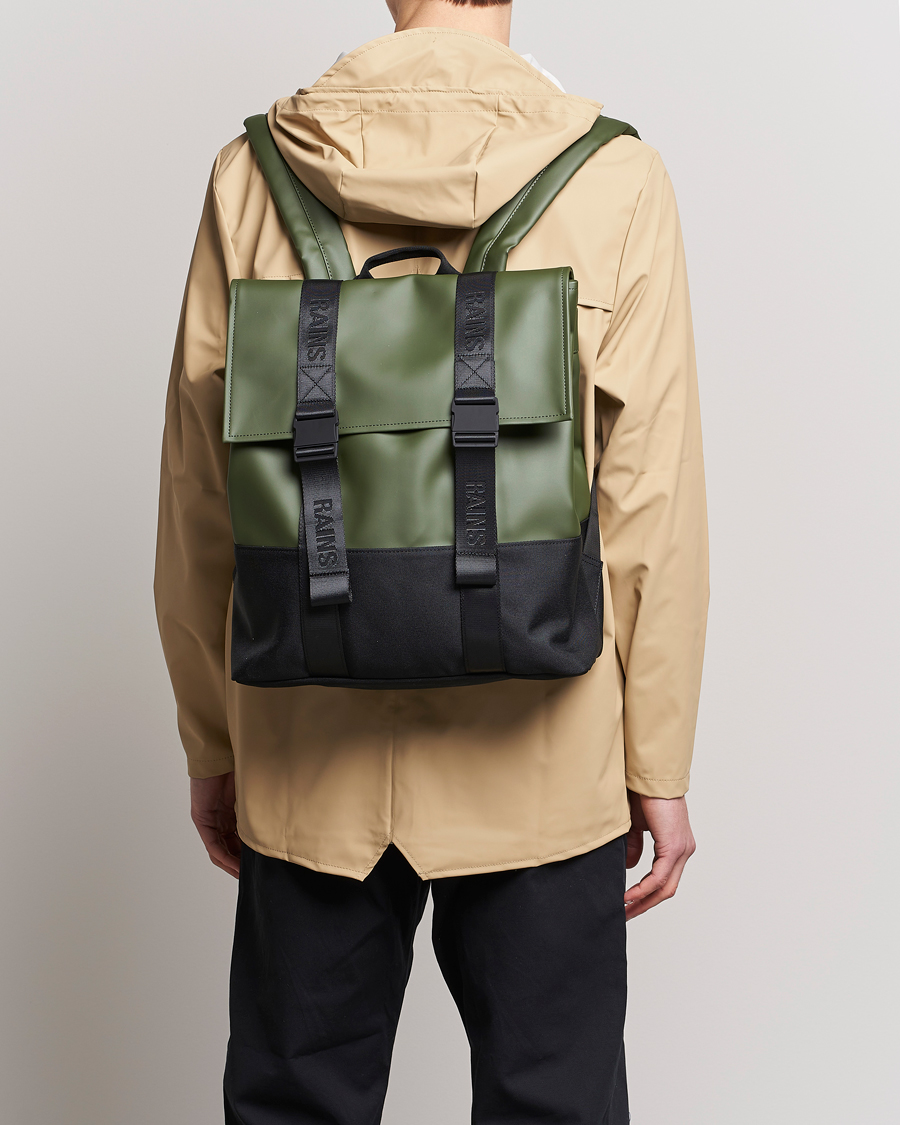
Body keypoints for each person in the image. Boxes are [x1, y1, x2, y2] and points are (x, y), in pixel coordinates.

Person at [154, 1, 709, 1121]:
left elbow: (199, 494)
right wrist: (657, 763)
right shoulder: (614, 174)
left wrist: (213, 740)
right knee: (554, 1102)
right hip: (543, 762)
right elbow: (651, 501)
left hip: (307, 761)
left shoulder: (251, 173)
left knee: (293, 1106)